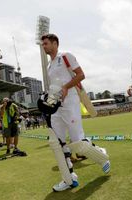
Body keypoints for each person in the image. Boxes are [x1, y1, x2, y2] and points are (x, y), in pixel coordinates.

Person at [40, 33, 110, 192]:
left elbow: (81, 75)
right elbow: (56, 87)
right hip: (57, 107)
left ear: (55, 43)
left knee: (77, 143)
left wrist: (66, 87)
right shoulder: (50, 66)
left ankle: (102, 157)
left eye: (46, 43)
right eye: (42, 44)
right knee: (56, 143)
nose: (43, 46)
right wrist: (48, 102)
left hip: (70, 103)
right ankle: (69, 179)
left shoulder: (65, 56)